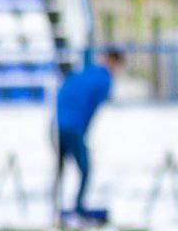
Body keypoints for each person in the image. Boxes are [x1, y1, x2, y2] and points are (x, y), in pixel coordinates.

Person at [53, 49, 125, 222]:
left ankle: (55, 209)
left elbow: (67, 89)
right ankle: (77, 208)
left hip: (58, 123)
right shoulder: (104, 79)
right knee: (85, 169)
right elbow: (91, 107)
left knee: (60, 169)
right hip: (73, 126)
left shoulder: (87, 71)